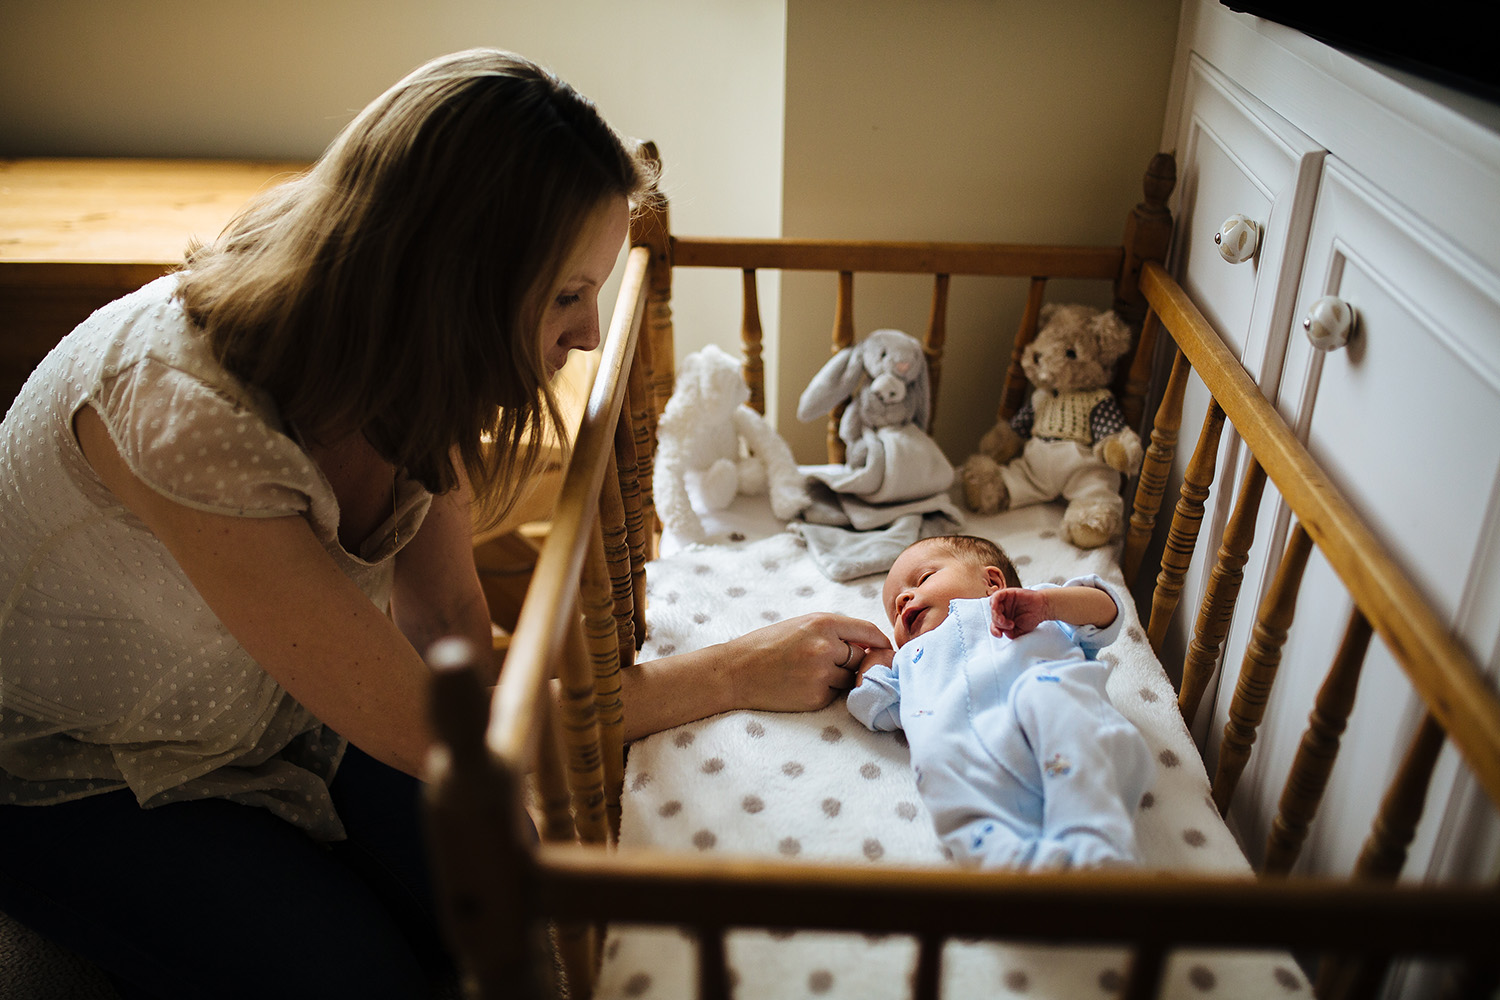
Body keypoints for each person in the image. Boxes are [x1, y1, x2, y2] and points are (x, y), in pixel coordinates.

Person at [0, 49, 886, 1000]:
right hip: (83, 769)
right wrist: (727, 673)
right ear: (455, 285)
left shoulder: (413, 362)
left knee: (503, 930)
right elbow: (433, 734)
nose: (590, 336)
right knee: (364, 977)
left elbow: (449, 620)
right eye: (566, 296)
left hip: (273, 707)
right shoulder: (184, 419)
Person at [847, 534, 1153, 870]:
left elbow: (1105, 611)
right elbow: (871, 703)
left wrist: (1049, 603)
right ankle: (1021, 877)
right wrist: (876, 658)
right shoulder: (907, 663)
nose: (903, 600)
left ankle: (1096, 842)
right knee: (939, 770)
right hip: (971, 776)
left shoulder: (1034, 610)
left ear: (992, 581)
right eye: (894, 612)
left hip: (1060, 739)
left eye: (922, 579)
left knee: (1046, 692)